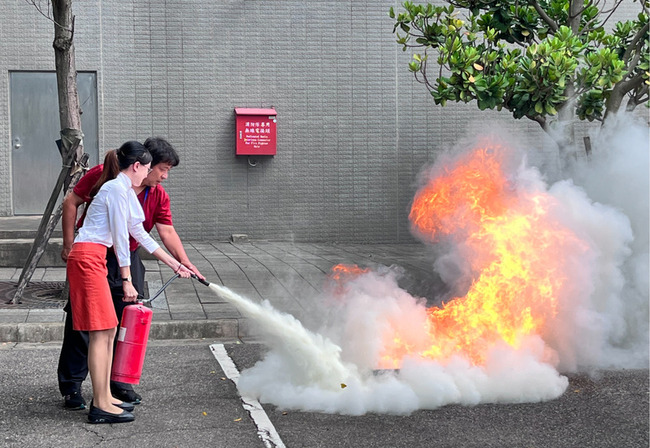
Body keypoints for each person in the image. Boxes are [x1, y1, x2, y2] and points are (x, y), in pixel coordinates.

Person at [58, 137, 204, 410]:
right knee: (95, 328)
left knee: (112, 327)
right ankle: (90, 397)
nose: (159, 175)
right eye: (157, 169)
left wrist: (178, 263)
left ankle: (110, 390)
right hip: (92, 256)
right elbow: (120, 238)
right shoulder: (113, 186)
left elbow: (141, 235)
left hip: (104, 256)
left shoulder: (132, 191)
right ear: (139, 165)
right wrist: (126, 279)